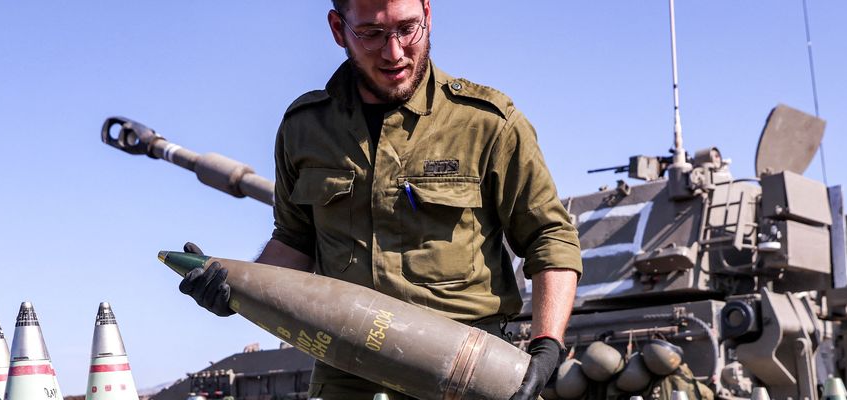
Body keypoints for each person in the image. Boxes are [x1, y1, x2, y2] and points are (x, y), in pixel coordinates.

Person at [180, 1, 582, 399]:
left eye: (408, 28)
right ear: (338, 29)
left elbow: (550, 236)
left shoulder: (487, 123)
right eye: (371, 33)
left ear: (428, 13)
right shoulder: (304, 128)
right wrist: (234, 290)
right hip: (346, 373)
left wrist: (547, 344)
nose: (394, 52)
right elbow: (295, 241)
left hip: (465, 370)